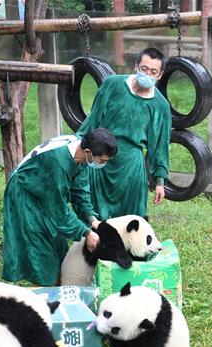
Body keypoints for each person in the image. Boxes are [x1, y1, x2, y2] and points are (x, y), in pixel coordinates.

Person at [1, 128, 117, 286]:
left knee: (58, 246)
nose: (103, 164)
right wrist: (86, 232)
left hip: (46, 190)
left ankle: (56, 286)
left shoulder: (80, 154)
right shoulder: (58, 164)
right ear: (88, 152)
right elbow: (59, 212)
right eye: (102, 161)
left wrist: (92, 219)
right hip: (26, 192)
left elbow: (80, 191)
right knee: (41, 248)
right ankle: (43, 291)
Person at [77, 47, 172, 221]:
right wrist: (77, 146)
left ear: (160, 75)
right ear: (136, 66)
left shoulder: (160, 106)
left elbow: (161, 146)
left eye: (153, 72)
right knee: (92, 214)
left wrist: (160, 182)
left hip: (131, 165)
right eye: (144, 69)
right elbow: (93, 119)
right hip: (100, 156)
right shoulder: (112, 84)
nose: (147, 74)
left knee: (132, 218)